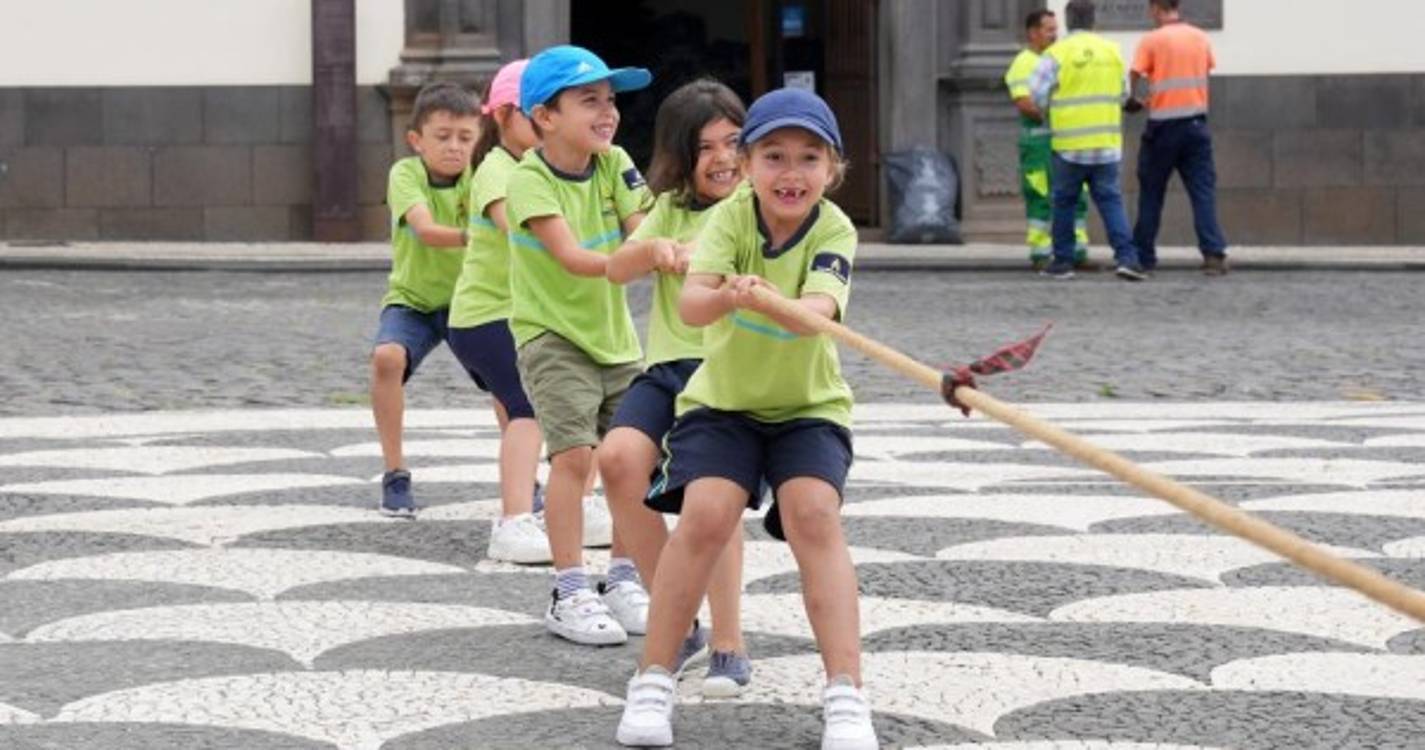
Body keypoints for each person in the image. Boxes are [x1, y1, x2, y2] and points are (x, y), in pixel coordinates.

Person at [616, 87, 878, 750]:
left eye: (808, 158)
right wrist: (731, 292)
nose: (790, 173)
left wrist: (767, 301)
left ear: (832, 168)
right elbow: (693, 307)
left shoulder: (834, 228)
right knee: (704, 514)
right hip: (723, 403)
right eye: (773, 156)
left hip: (808, 408)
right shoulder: (729, 218)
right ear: (750, 162)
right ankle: (652, 679)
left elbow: (819, 308)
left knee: (813, 513)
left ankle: (845, 694)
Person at [599, 78, 752, 697]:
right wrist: (657, 248)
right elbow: (615, 268)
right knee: (616, 461)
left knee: (710, 501)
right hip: (667, 371)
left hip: (727, 377)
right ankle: (678, 611)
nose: (721, 158)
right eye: (705, 146)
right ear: (679, 155)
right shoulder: (668, 207)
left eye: (733, 143)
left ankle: (728, 642)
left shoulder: (757, 208)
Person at [504, 45, 652, 645]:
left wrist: (669, 250)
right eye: (589, 100)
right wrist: (638, 260)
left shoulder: (616, 162)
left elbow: (645, 226)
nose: (607, 111)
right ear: (545, 115)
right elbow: (571, 256)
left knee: (631, 461)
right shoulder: (528, 179)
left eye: (610, 100)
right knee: (574, 459)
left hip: (616, 340)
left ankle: (621, 576)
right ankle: (568, 588)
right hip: (552, 335)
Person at [444, 60, 552, 563]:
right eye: (540, 114)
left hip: (504, 316)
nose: (550, 124)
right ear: (507, 115)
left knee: (518, 409)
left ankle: (546, 504)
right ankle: (514, 520)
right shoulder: (497, 170)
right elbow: (520, 229)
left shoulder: (528, 167)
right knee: (528, 410)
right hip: (488, 317)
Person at [370, 82, 478, 518]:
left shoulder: (483, 178)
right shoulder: (405, 173)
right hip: (413, 299)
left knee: (510, 379)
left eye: (466, 137)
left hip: (472, 301)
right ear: (416, 140)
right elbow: (426, 230)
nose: (454, 147)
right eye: (443, 135)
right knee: (386, 358)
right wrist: (482, 235)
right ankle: (395, 473)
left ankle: (524, 478)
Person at [1030, 0, 1147, 281]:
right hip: (1106, 144)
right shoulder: (1112, 51)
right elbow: (1121, 96)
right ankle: (1128, 259)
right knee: (1110, 201)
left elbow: (1037, 94)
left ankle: (1063, 262)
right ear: (1094, 21)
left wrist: (1051, 107)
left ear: (1068, 21)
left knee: (1064, 203)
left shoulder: (1056, 53)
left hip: (1069, 146)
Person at [1127, 0, 1229, 276]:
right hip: (1196, 125)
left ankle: (1143, 256)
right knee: (1202, 192)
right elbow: (1205, 70)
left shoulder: (1152, 40)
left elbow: (1135, 72)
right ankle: (1213, 254)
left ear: (1156, 8)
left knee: (1151, 192)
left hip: (1162, 127)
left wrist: (1135, 99)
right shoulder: (1199, 37)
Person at [1005, 8, 1090, 270]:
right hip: (1039, 144)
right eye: (1049, 30)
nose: (1055, 35)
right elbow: (1024, 103)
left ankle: (1077, 252)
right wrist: (1059, 112)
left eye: (1056, 29)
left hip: (1064, 142)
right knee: (1040, 197)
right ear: (1033, 33)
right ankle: (1041, 254)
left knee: (1076, 196)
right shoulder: (1024, 62)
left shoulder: (1056, 57)